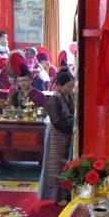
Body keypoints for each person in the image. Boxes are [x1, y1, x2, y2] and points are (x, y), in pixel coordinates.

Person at [38, 69, 76, 202]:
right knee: (55, 165)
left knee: (67, 164)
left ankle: (66, 193)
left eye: (72, 86)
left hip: (68, 133)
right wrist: (73, 124)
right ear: (59, 85)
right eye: (68, 86)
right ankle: (56, 196)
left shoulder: (71, 96)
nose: (71, 89)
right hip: (56, 134)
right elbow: (57, 121)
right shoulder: (54, 100)